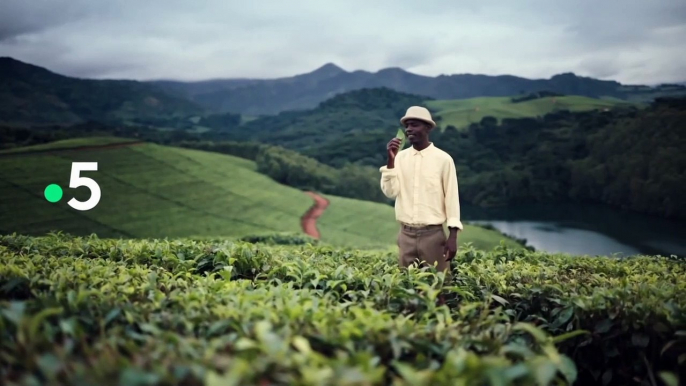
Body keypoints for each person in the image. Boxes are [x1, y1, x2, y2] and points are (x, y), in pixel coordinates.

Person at [379, 106, 463, 273]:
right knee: (407, 287)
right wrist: (390, 160)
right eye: (407, 125)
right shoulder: (400, 158)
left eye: (415, 125)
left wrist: (452, 237)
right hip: (405, 235)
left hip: (433, 235)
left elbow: (451, 199)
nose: (409, 129)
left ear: (428, 128)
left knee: (438, 288)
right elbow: (390, 192)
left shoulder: (443, 159)